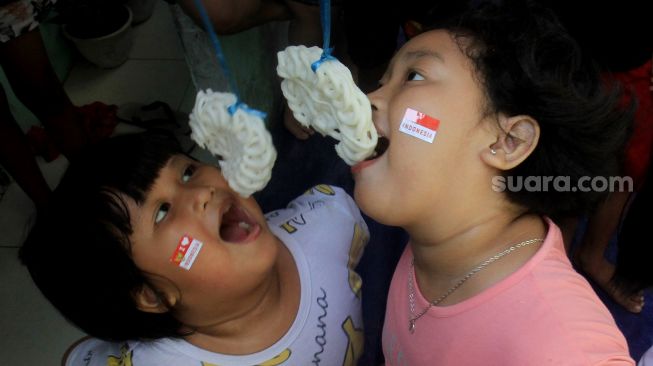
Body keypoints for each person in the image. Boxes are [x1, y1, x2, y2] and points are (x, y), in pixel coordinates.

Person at [350, 0, 636, 364]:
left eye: (414, 76)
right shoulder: (438, 230)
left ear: (507, 141)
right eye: (381, 82)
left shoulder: (561, 346)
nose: (367, 100)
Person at [19, 129, 369, 365]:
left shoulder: (328, 223)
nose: (201, 192)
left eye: (186, 172)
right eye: (162, 212)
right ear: (151, 296)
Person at [539, 0, 653, 314]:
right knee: (570, 165)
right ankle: (552, 269)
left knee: (629, 164)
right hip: (567, 48)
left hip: (631, 61)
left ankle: (590, 254)